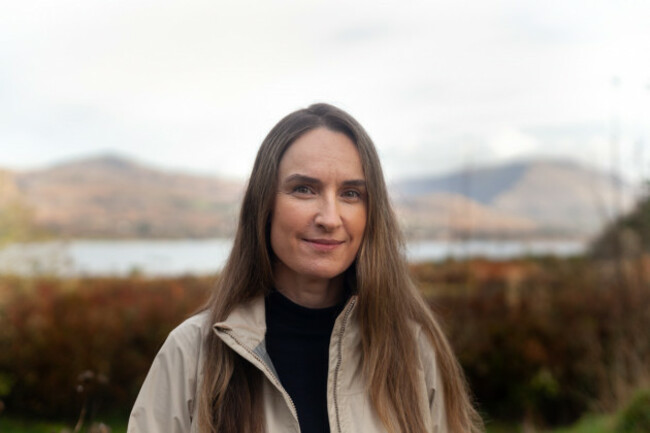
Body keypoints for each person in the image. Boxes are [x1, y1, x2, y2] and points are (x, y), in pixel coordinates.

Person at [128, 103, 483, 433]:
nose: (329, 218)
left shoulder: (413, 351)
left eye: (351, 194)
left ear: (371, 212)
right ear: (263, 205)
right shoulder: (192, 353)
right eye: (303, 189)